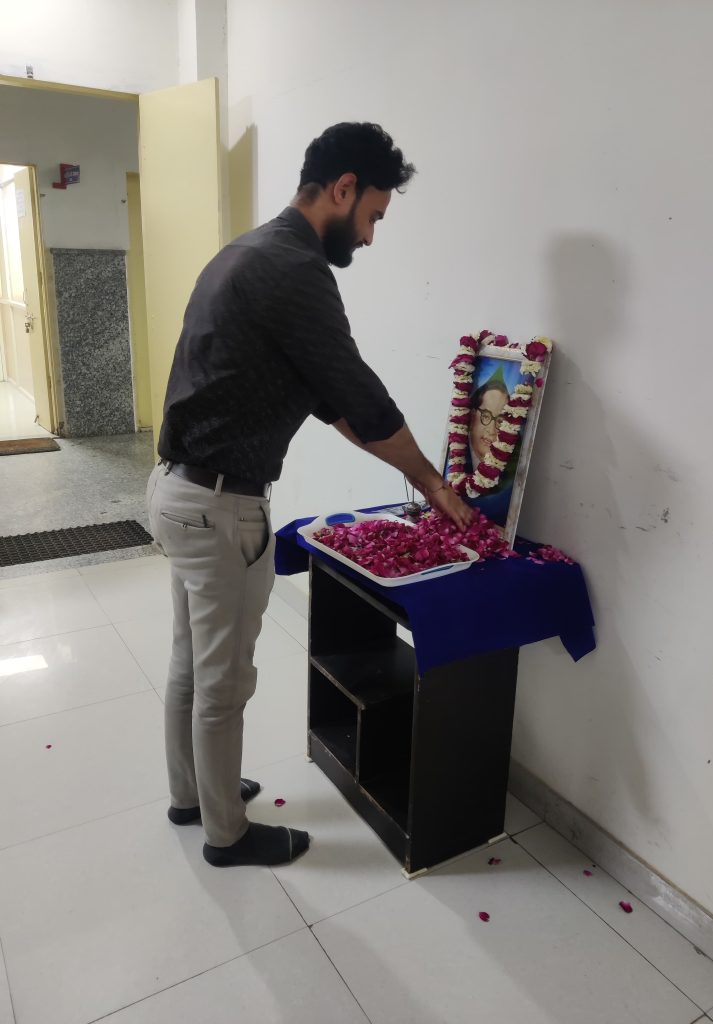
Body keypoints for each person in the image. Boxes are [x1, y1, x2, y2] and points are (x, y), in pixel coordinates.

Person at [146, 122, 472, 870]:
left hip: (179, 492)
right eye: (373, 216)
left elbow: (334, 404)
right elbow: (359, 393)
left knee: (191, 662)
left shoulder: (246, 251)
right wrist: (430, 482)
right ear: (343, 188)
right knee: (223, 683)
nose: (371, 236)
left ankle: (193, 794)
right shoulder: (295, 270)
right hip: (220, 507)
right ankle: (226, 834)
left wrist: (406, 466)